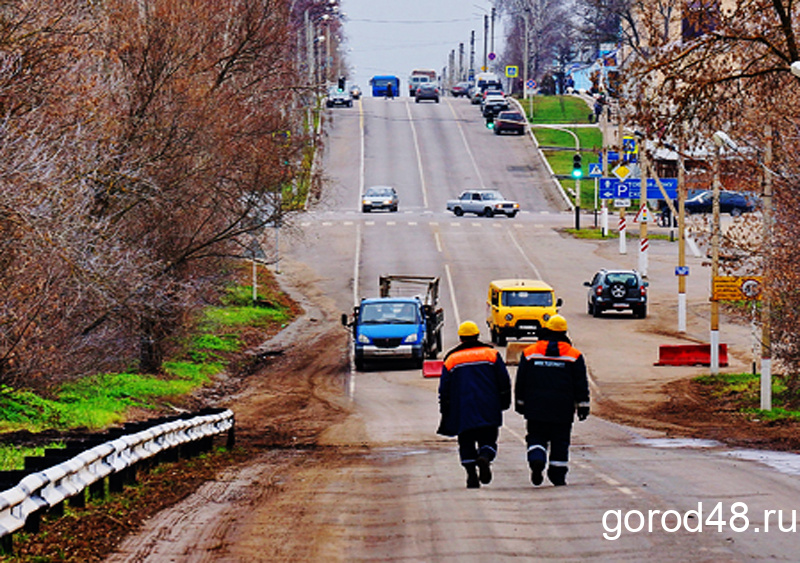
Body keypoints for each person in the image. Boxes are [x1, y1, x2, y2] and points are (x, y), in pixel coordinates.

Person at [514, 314, 590, 487]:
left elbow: (521, 381)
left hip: (535, 407)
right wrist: (583, 405)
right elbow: (580, 383)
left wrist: (520, 403)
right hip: (562, 409)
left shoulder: (530, 353)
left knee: (536, 436)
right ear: (564, 332)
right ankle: (557, 475)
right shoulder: (574, 355)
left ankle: (537, 459)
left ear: (546, 330)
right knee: (560, 441)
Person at [437, 320, 511, 489]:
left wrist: (445, 409)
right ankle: (485, 456)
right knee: (489, 439)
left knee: (466, 442)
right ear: (478, 336)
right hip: (489, 407)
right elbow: (503, 380)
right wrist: (505, 401)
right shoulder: (491, 354)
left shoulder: (452, 359)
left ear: (461, 338)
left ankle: (471, 475)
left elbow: (444, 389)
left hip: (462, 410)